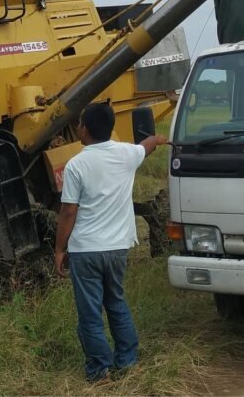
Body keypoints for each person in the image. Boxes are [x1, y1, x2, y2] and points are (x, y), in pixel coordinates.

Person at [55, 103, 169, 383]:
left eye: (80, 124)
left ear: (86, 130)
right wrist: (159, 139)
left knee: (90, 313)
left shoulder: (76, 165)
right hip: (118, 248)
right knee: (116, 302)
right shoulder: (127, 154)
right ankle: (127, 362)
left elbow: (68, 211)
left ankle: (99, 370)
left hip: (86, 251)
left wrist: (59, 250)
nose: (78, 128)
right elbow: (146, 145)